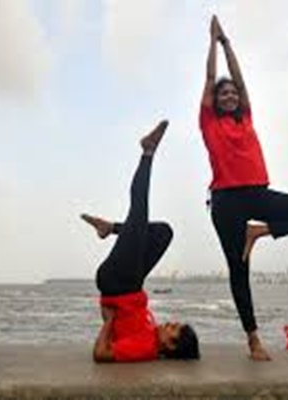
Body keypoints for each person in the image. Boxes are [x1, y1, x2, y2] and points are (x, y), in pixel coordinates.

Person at [199, 16, 288, 361]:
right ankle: (254, 341)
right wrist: (212, 42)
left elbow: (240, 80)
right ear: (216, 101)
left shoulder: (246, 117)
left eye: (233, 93)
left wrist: (227, 42)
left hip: (257, 194)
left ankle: (260, 231)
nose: (230, 95)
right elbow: (211, 79)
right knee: (238, 271)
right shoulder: (209, 122)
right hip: (226, 201)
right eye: (224, 93)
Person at [81, 120, 200, 363]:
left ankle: (148, 152)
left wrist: (109, 321)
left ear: (170, 346)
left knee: (138, 212)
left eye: (173, 328)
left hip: (118, 284)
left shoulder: (146, 347)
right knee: (163, 232)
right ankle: (111, 228)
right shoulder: (152, 335)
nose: (170, 323)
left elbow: (101, 355)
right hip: (132, 283)